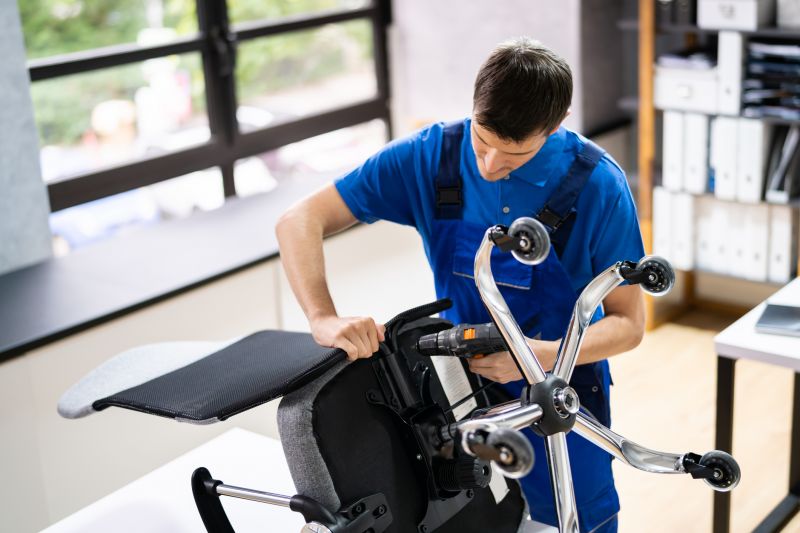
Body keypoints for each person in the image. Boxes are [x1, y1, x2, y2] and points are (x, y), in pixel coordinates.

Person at [276, 36, 645, 533]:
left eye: (512, 156)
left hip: (561, 396)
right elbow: (299, 220)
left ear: (553, 129)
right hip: (459, 396)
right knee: (472, 520)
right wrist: (322, 316)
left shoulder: (597, 184)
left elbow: (629, 324)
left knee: (574, 520)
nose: (489, 165)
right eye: (482, 140)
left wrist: (539, 354)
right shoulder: (433, 157)